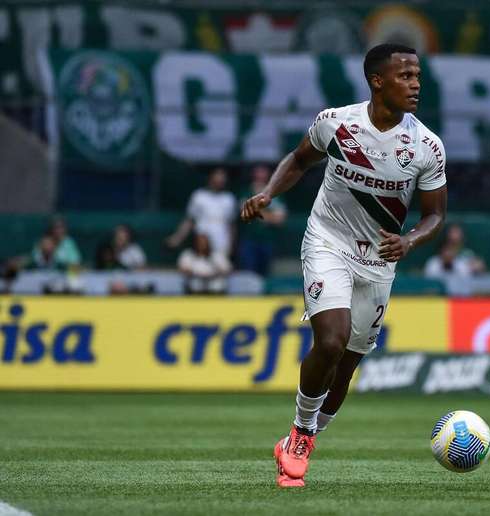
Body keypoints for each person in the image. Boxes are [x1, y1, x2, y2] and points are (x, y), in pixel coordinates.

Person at [241, 43, 447, 488]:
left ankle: (305, 435)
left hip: (378, 259)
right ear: (377, 81)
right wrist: (269, 194)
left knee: (348, 365)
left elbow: (435, 215)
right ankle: (299, 434)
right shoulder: (336, 123)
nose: (415, 84)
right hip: (327, 242)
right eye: (405, 76)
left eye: (417, 76)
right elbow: (298, 160)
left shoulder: (427, 146)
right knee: (330, 341)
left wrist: (410, 240)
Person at [166, 167, 237, 257]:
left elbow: (231, 225)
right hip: (201, 246)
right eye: (218, 175)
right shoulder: (199, 196)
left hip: (221, 247)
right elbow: (189, 221)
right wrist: (177, 238)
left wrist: (231, 246)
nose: (221, 179)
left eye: (223, 177)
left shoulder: (229, 198)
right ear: (211, 177)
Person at [238, 165, 288, 275]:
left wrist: (257, 212)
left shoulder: (275, 192)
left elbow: (280, 220)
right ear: (253, 174)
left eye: (263, 172)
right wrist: (270, 215)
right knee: (248, 274)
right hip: (249, 239)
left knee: (266, 274)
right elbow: (244, 212)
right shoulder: (246, 191)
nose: (260, 175)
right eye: (258, 172)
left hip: (268, 240)